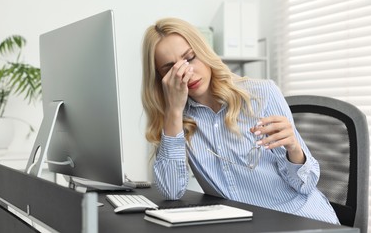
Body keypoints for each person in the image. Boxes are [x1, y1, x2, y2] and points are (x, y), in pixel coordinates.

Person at [141, 17, 339, 224]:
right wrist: (173, 111)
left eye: (190, 58)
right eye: (171, 69)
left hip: (300, 218)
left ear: (204, 52)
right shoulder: (177, 120)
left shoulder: (263, 94)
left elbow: (305, 184)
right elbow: (171, 192)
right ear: (160, 79)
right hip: (245, 226)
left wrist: (294, 150)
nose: (187, 74)